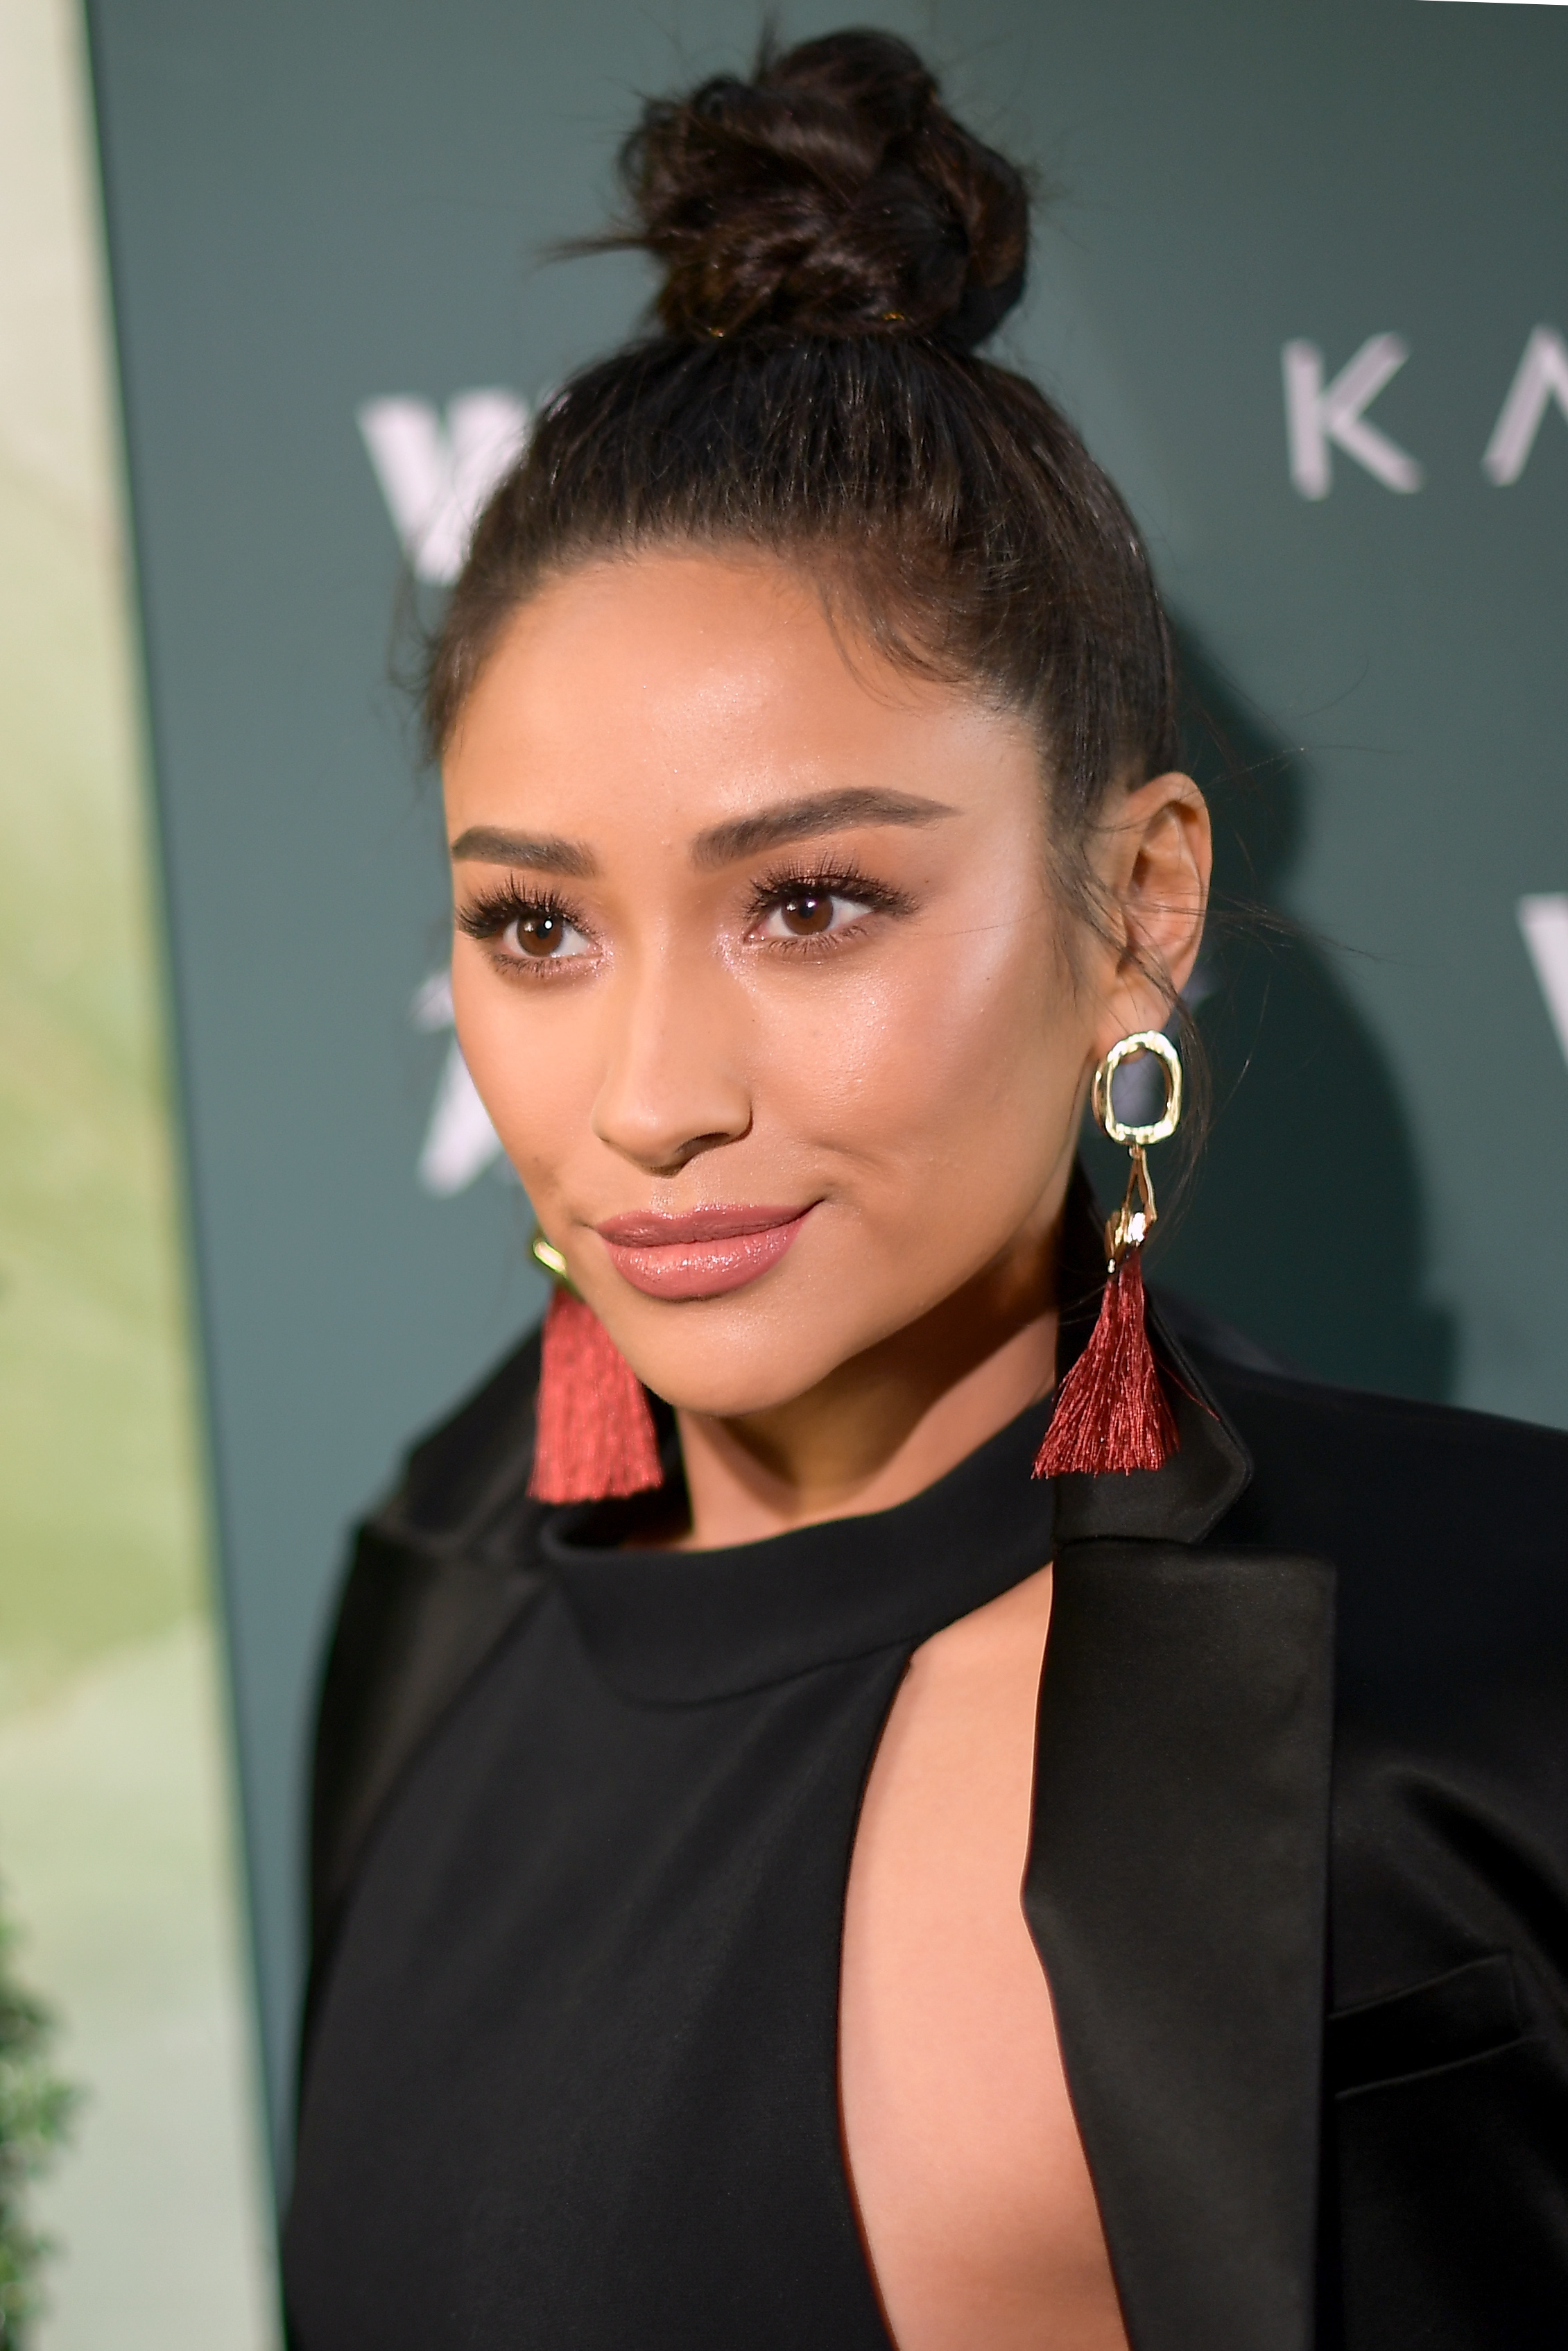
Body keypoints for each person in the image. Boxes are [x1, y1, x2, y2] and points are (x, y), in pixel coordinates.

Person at [281, 31, 1568, 2351]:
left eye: (811, 905)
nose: (650, 1098)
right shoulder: (434, 1573)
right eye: (537, 926)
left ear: (1137, 912)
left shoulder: (1479, 1687)